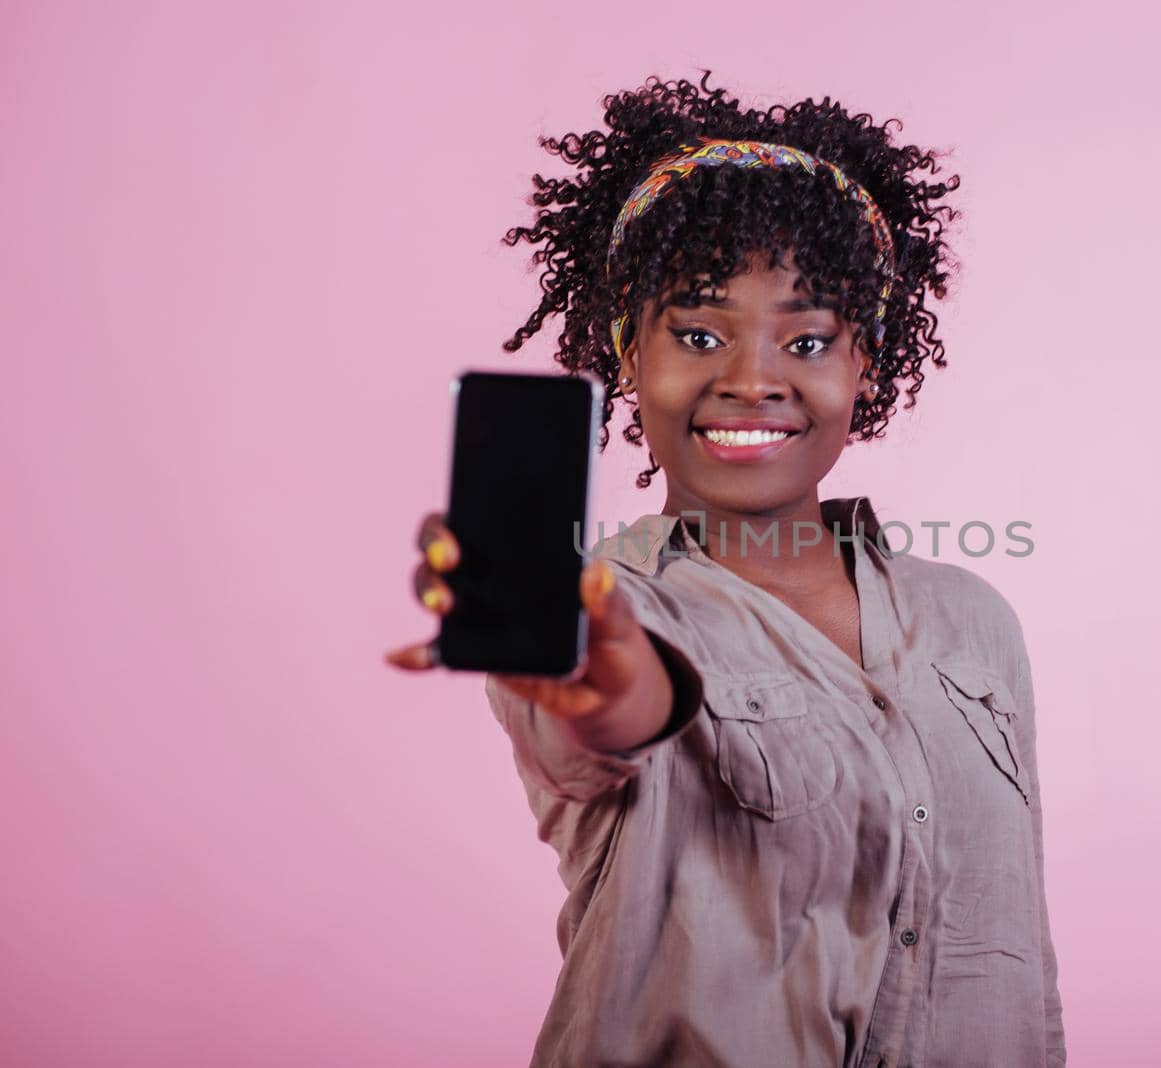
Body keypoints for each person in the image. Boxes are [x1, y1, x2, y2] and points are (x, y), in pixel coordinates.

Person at [385, 71, 1065, 1068]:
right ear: (627, 352)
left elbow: (1018, 959)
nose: (752, 378)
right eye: (697, 334)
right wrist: (601, 682)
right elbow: (602, 723)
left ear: (863, 365)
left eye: (808, 337)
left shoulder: (972, 619)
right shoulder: (603, 612)